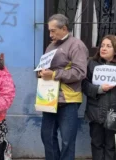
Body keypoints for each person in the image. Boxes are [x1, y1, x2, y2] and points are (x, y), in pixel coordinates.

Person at [38, 14, 88, 160]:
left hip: (69, 100)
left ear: (64, 28)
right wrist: (41, 72)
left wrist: (53, 75)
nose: (50, 34)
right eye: (49, 31)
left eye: (53, 31)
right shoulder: (51, 46)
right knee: (47, 136)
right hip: (49, 97)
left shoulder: (76, 45)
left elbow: (80, 72)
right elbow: (46, 67)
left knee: (67, 141)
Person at [82, 35, 116, 160]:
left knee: (111, 145)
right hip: (95, 112)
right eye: (102, 45)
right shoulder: (91, 65)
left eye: (108, 46)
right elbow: (84, 85)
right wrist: (99, 89)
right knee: (96, 144)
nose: (103, 48)